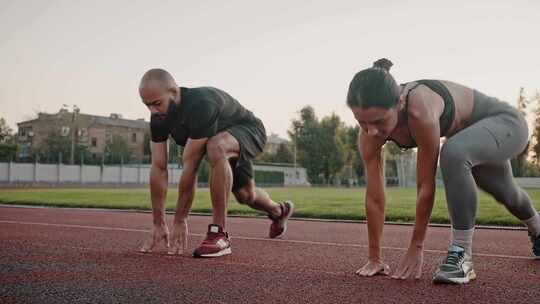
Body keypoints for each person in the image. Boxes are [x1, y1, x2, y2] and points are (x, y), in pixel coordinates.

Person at [347, 58, 540, 284]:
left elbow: (425, 186)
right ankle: (538, 227)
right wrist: (375, 257)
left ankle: (462, 256)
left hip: (505, 123)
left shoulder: (420, 110)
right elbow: (374, 196)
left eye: (379, 121)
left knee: (453, 153)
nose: (371, 132)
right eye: (361, 122)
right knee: (507, 193)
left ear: (399, 102)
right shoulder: (370, 133)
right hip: (471, 139)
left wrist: (416, 246)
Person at [137, 69, 294, 258]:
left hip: (249, 130)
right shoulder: (159, 119)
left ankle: (219, 234)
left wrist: (180, 219)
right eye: (147, 106)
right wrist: (158, 222)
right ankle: (279, 211)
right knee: (246, 195)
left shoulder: (201, 104)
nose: (153, 111)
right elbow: (158, 167)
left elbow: (191, 166)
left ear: (174, 91)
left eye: (157, 104)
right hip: (223, 143)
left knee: (216, 146)